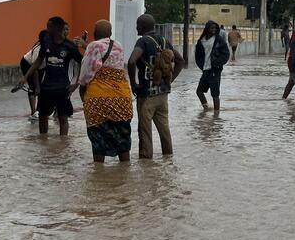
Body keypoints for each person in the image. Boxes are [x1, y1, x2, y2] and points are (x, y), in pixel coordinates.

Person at [127, 14, 185, 159]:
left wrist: (133, 84)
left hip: (147, 96)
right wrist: (170, 81)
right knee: (164, 130)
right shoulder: (165, 41)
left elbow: (131, 61)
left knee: (145, 132)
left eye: (137, 25)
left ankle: (146, 164)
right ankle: (168, 160)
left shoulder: (143, 41)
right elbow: (180, 61)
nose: (136, 28)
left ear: (142, 26)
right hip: (163, 95)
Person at [78, 20, 133, 163]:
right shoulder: (118, 46)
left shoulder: (93, 46)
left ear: (94, 33)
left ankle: (98, 173)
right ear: (110, 33)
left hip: (98, 100)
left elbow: (86, 73)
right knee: (123, 141)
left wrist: (82, 92)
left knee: (98, 141)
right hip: (122, 99)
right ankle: (125, 172)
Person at [19, 16, 82, 135]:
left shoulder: (70, 46)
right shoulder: (46, 43)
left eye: (49, 27)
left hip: (63, 88)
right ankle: (43, 142)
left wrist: (76, 84)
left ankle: (63, 143)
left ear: (57, 28)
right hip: (46, 87)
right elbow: (38, 61)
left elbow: (82, 63)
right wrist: (25, 77)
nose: (47, 29)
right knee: (43, 116)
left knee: (62, 118)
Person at [195, 20, 230, 111]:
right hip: (205, 70)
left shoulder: (219, 40)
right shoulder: (201, 41)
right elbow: (198, 56)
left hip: (215, 70)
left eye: (215, 28)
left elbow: (226, 54)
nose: (214, 29)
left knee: (215, 94)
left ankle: (216, 114)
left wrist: (217, 63)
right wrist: (201, 66)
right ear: (207, 29)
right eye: (212, 28)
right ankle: (206, 108)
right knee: (199, 91)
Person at [20, 30, 49, 120]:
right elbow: (35, 69)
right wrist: (37, 86)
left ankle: (39, 110)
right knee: (34, 88)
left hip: (41, 66)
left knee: (42, 89)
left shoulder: (51, 46)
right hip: (28, 64)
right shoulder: (38, 51)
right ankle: (33, 113)